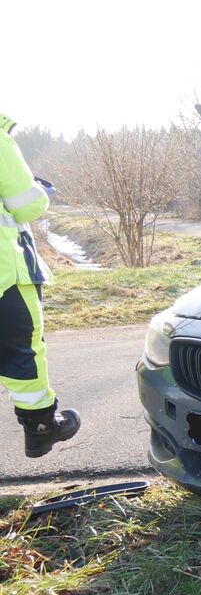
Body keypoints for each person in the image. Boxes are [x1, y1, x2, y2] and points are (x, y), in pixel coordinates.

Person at [0, 111, 80, 457]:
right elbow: (27, 204)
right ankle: (41, 427)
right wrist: (40, 190)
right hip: (5, 275)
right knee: (22, 350)